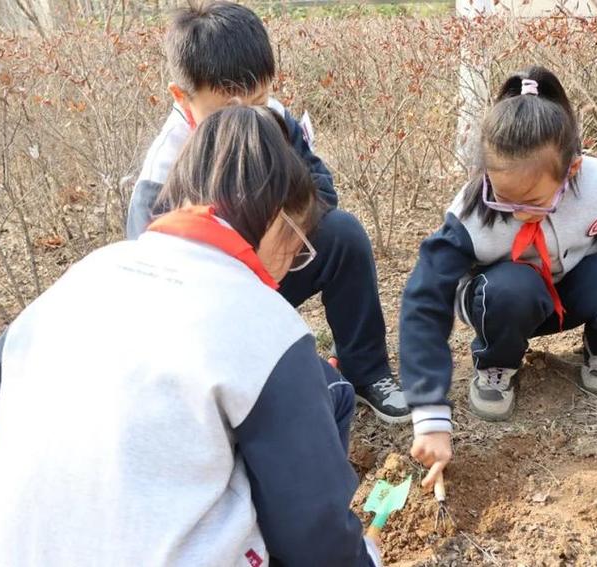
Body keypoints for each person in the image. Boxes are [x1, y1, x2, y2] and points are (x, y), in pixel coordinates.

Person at [0, 106, 382, 567]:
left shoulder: (86, 273)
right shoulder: (263, 324)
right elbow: (318, 539)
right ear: (277, 221)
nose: (292, 264)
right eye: (299, 245)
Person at [399, 66, 597, 486]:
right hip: (502, 301)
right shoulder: (469, 216)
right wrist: (429, 411)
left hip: (570, 289)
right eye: (502, 197)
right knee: (512, 287)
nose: (514, 212)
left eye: (530, 201)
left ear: (570, 171)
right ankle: (496, 364)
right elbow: (424, 300)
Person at [125, 0, 408, 422]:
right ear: (182, 96)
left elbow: (322, 189)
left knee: (343, 235)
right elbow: (157, 291)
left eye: (258, 100)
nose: (249, 120)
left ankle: (365, 370)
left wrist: (277, 235)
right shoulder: (162, 174)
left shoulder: (274, 118)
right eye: (227, 110)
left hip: (273, 267)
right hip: (210, 306)